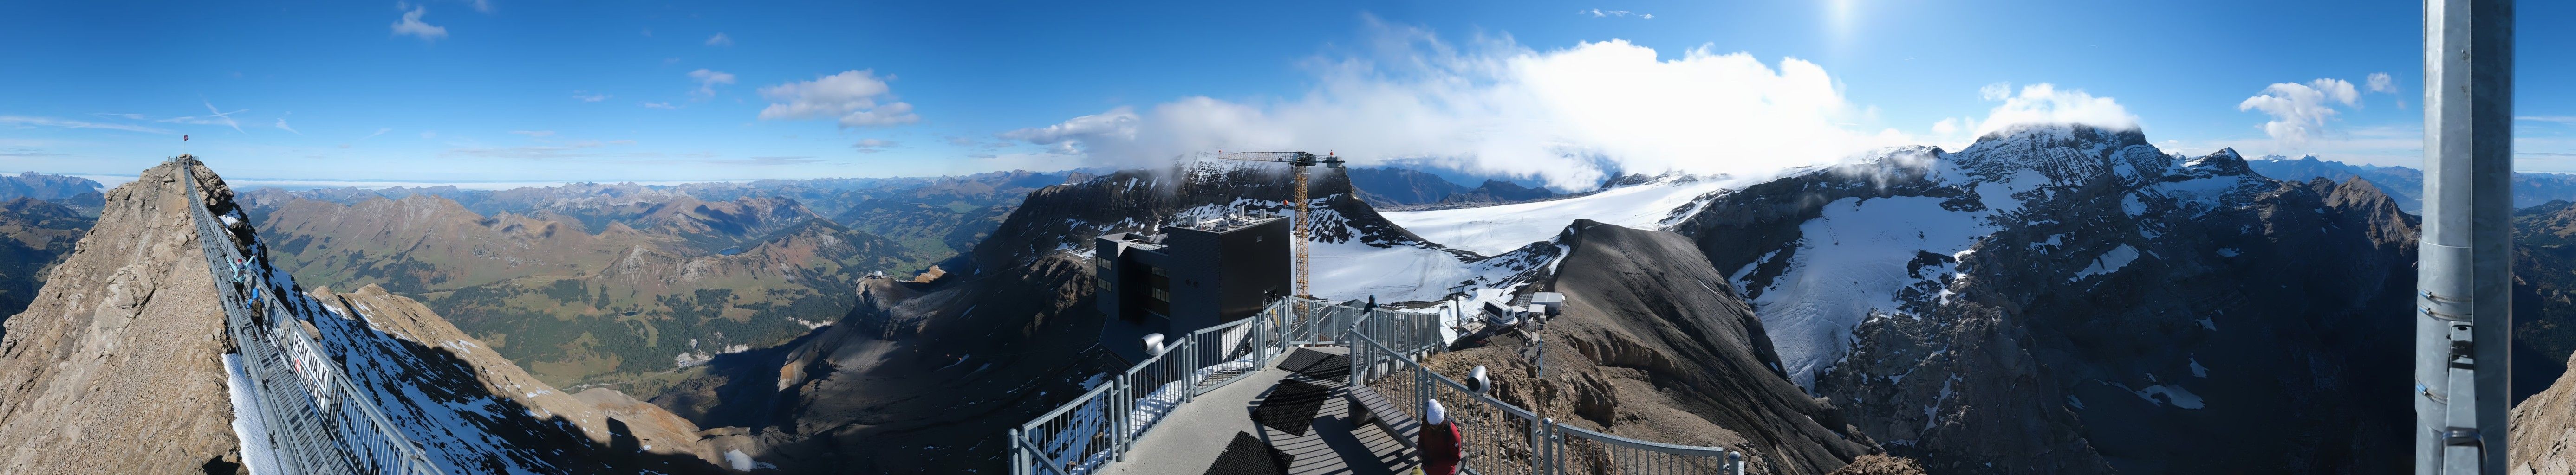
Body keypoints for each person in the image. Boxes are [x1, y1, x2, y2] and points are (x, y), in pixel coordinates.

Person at [1419, 399, 1462, 475]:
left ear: (1443, 421)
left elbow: (1456, 459)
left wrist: (1434, 463)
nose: (1433, 428)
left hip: (1445, 473)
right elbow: (1422, 437)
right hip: (1426, 470)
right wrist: (1420, 450)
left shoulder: (1453, 433)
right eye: (1431, 426)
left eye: (1436, 426)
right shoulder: (1426, 423)